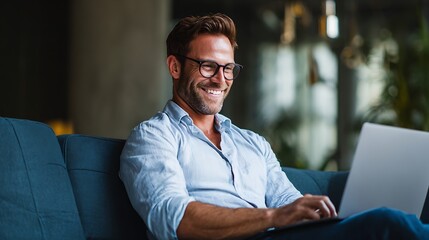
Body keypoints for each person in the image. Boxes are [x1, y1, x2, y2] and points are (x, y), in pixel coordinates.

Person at [119, 13, 429, 240]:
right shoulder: (153, 137)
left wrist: (319, 214)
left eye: (228, 68)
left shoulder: (252, 143)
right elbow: (172, 218)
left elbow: (288, 203)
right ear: (175, 67)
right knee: (389, 224)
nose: (221, 79)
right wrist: (274, 217)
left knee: (384, 222)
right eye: (208, 66)